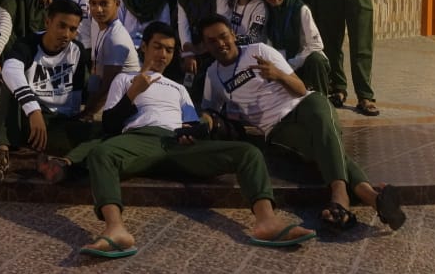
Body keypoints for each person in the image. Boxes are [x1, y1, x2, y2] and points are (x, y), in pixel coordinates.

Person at [78, 22, 316, 258]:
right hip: (140, 140)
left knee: (248, 153)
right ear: (144, 48)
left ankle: (267, 221)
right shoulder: (125, 79)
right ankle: (115, 229)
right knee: (101, 153)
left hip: (176, 144)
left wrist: (192, 132)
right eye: (157, 47)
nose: (163, 55)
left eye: (169, 50)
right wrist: (134, 91)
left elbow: (192, 124)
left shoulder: (178, 88)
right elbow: (110, 125)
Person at [199, 17, 405, 233]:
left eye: (223, 36)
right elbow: (209, 110)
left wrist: (278, 75)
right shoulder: (213, 75)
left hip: (305, 104)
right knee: (324, 145)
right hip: (277, 128)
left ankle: (340, 195)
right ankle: (372, 197)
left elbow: (299, 88)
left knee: (321, 115)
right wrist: (203, 121)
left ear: (233, 35)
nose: (220, 43)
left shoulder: (258, 50)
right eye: (212, 41)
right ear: (205, 46)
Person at [0, 0, 97, 181]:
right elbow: (10, 69)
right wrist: (33, 110)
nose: (66, 34)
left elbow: (75, 97)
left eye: (73, 29)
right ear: (48, 22)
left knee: (100, 133)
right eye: (61, 26)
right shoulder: (28, 44)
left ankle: (53, 159)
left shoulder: (77, 51)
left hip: (56, 122)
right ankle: (1, 153)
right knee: (9, 83)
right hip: (28, 116)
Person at [80, 0, 140, 120]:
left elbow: (108, 87)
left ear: (117, 4)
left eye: (104, 3)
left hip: (124, 109)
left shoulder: (115, 38)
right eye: (93, 3)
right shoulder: (104, 29)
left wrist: (87, 113)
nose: (98, 9)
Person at [262, 0, 330, 96]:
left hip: (303, 64)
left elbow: (316, 45)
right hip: (283, 66)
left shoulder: (300, 9)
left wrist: (292, 64)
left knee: (316, 59)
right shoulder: (269, 13)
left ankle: (322, 100)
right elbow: (270, 47)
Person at [174, 0, 224, 99]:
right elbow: (183, 29)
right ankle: (187, 100)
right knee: (189, 82)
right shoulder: (183, 0)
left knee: (209, 86)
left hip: (217, 46)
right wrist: (189, 54)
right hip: (194, 49)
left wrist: (203, 48)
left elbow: (222, 25)